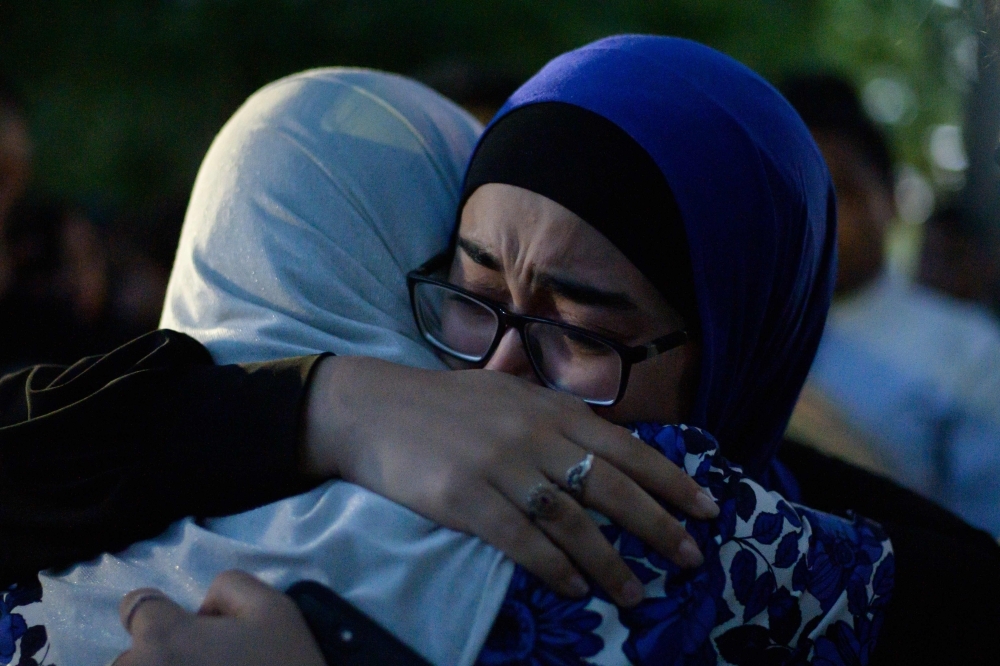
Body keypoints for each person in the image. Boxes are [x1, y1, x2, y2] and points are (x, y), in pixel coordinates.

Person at [5, 43, 999, 665]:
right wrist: (331, 406)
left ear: (738, 344)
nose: (493, 384)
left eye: (580, 327)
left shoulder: (755, 552)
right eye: (473, 298)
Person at [784, 75, 1000, 533]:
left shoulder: (971, 349)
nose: (816, 215)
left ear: (892, 201)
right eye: (792, 190)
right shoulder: (724, 331)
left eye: (842, 192)